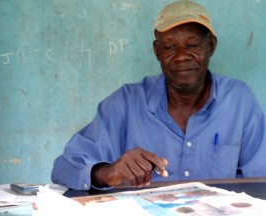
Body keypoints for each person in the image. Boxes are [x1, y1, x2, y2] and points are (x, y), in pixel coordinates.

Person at [51, 0, 266, 190]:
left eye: (192, 46)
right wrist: (106, 173)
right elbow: (65, 167)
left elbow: (260, 181)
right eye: (170, 47)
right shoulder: (126, 103)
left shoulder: (239, 101)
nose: (181, 56)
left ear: (210, 46)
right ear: (157, 51)